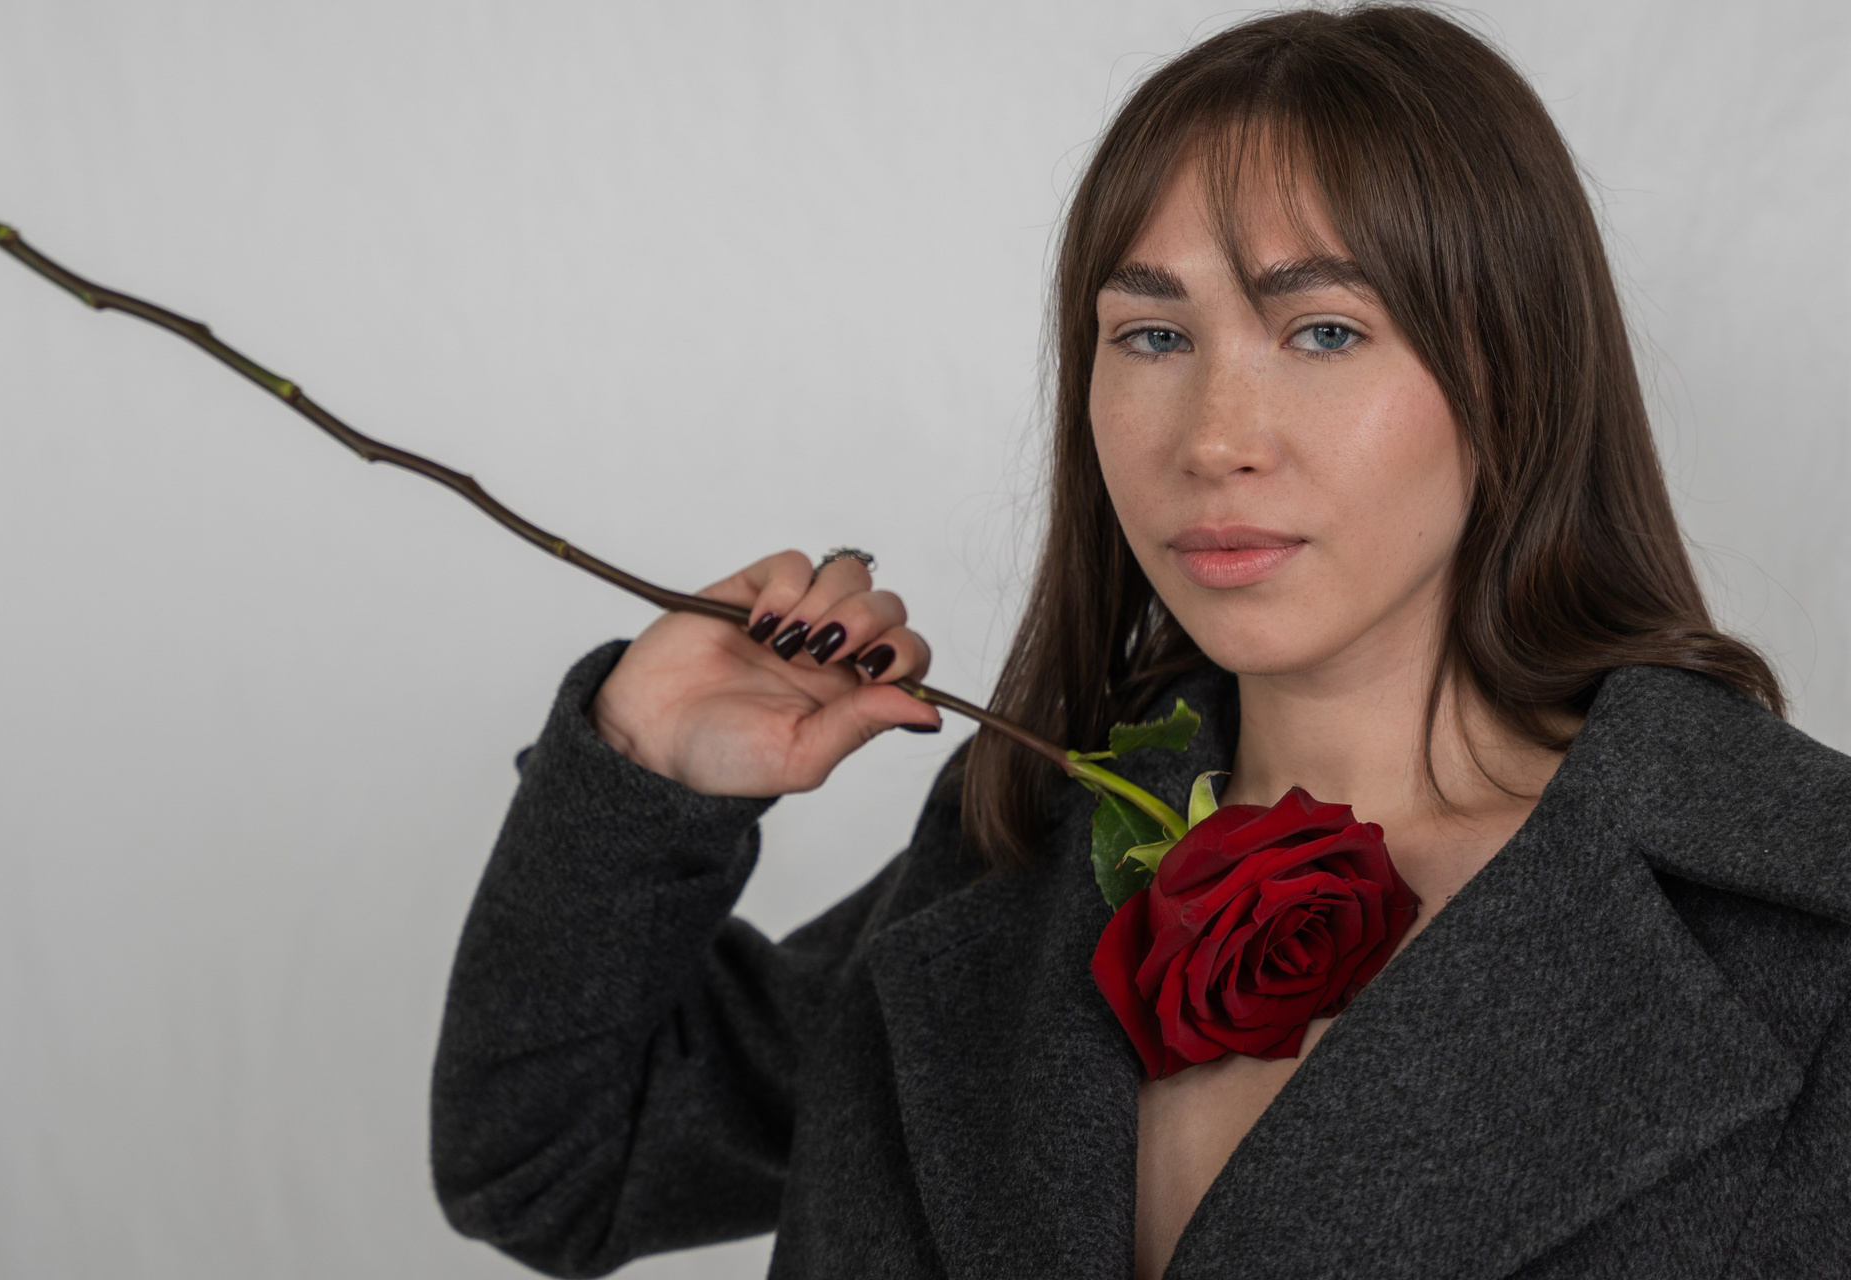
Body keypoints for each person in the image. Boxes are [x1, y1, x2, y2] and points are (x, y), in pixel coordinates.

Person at [430, 6, 1851, 1277]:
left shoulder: (1793, 921)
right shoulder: (1016, 853)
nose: (1215, 439)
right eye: (1154, 337)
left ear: (1516, 370)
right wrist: (644, 769)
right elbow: (549, 1170)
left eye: (1325, 331)